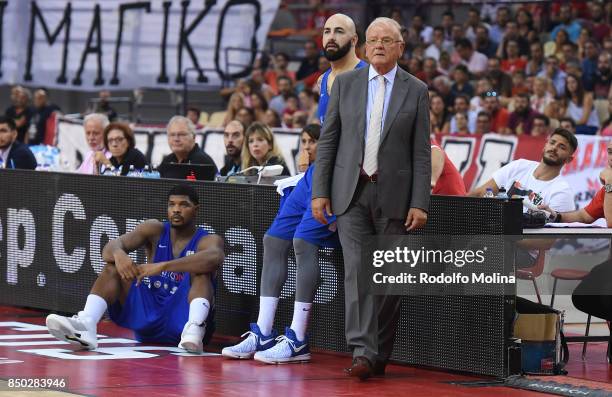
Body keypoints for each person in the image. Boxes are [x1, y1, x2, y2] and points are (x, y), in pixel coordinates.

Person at [222, 13, 366, 365]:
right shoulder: (324, 78)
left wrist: (344, 188)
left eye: (339, 31)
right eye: (327, 31)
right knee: (273, 240)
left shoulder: (365, 78)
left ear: (355, 39)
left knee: (304, 242)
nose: (331, 37)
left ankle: (298, 338)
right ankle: (263, 330)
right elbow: (326, 133)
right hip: (315, 173)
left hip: (342, 177)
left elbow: (361, 140)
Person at [312, 17, 431, 380]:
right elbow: (328, 141)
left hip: (396, 195)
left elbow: (421, 152)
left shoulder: (416, 89)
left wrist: (420, 201)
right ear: (363, 46)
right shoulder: (345, 85)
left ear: (400, 47)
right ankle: (362, 352)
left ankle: (379, 351)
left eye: (386, 40)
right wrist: (320, 191)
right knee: (359, 275)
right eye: (373, 40)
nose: (378, 45)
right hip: (351, 191)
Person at [46, 185, 224, 353]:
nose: (176, 209)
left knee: (201, 270)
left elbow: (215, 258)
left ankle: (195, 328)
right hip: (148, 316)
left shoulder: (207, 239)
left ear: (196, 209)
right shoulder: (154, 229)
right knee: (113, 267)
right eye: (172, 205)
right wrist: (119, 254)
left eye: (184, 205)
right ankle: (87, 323)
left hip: (182, 322)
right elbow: (108, 249)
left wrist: (162, 266)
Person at [468, 128, 577, 212]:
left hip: (511, 240)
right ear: (545, 146)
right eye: (552, 143)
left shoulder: (562, 192)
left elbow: (546, 240)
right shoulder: (519, 166)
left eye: (561, 147)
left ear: (569, 159)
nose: (554, 148)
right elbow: (480, 194)